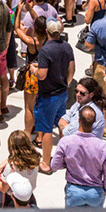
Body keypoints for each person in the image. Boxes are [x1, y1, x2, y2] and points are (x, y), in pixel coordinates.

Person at [51, 104, 106, 207]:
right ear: (94, 123)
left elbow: (54, 165)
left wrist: (67, 163)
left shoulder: (66, 142)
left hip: (74, 191)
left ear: (79, 120)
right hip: (95, 192)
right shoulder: (103, 147)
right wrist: (105, 188)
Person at [35, 19, 76, 174]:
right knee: (61, 124)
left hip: (48, 95)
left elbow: (42, 74)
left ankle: (46, 163)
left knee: (45, 129)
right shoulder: (67, 46)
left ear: (47, 31)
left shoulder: (45, 50)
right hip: (62, 92)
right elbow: (72, 69)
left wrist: (34, 71)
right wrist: (66, 83)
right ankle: (63, 156)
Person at [0, 129, 39, 207]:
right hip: (29, 197)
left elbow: (3, 188)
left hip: (13, 201)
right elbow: (22, 156)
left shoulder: (11, 167)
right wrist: (7, 160)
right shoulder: (35, 158)